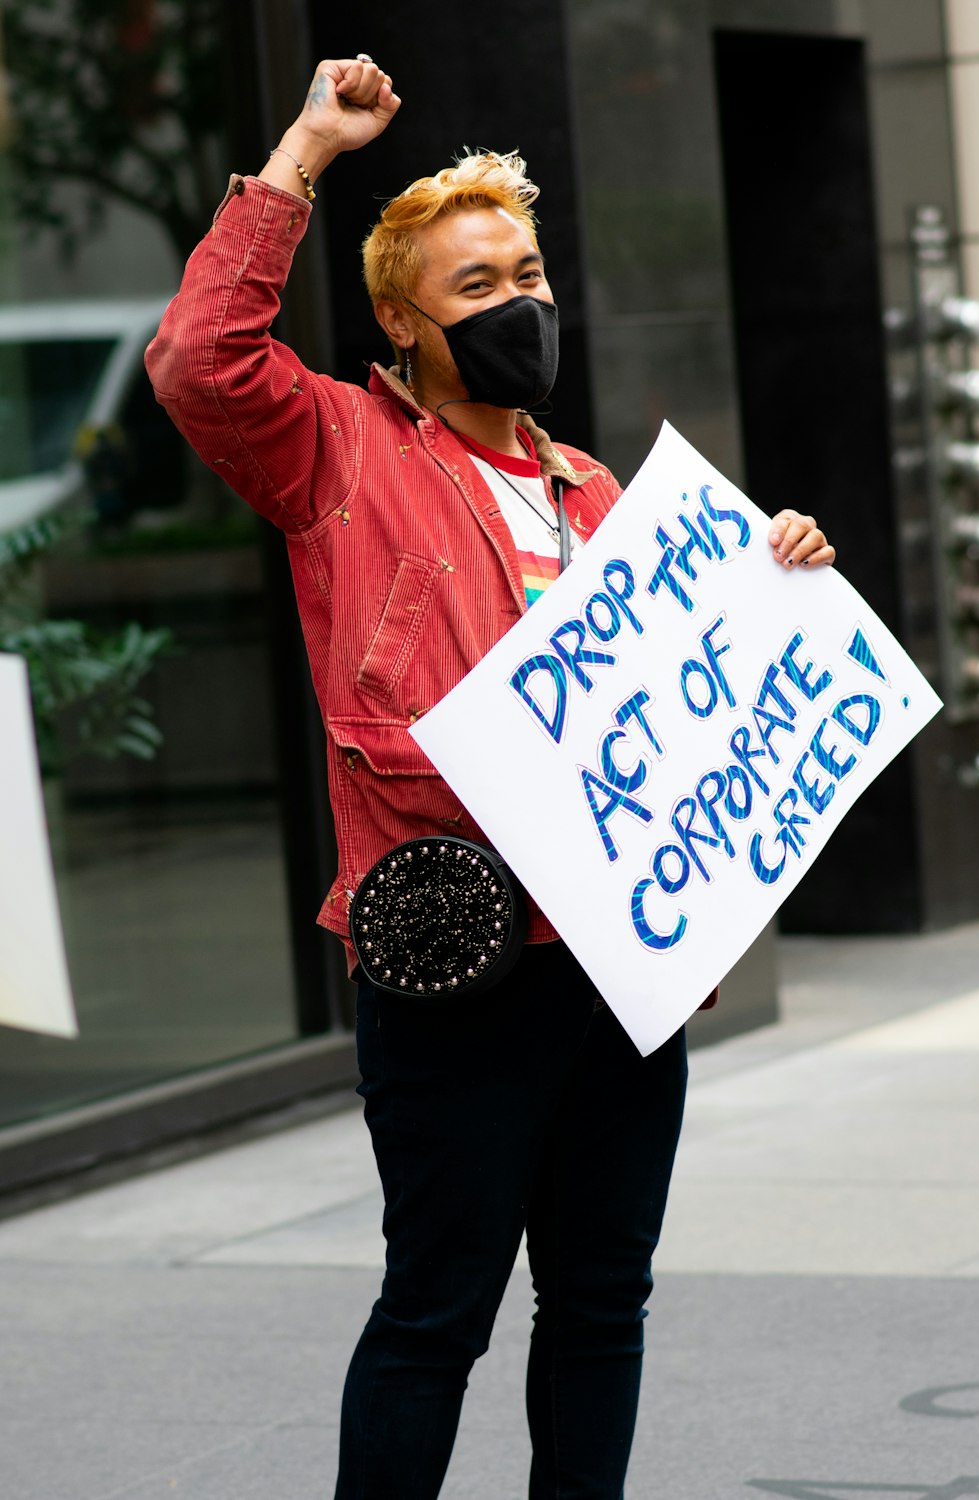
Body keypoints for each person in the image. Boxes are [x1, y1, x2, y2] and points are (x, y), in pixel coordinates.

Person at [146, 54, 835, 1500]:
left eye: (527, 271)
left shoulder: (597, 490)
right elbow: (200, 365)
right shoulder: (339, 448)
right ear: (400, 323)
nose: (519, 302)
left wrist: (777, 579)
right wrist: (302, 155)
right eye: (475, 287)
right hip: (457, 963)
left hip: (621, 972)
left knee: (602, 1303)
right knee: (436, 1314)